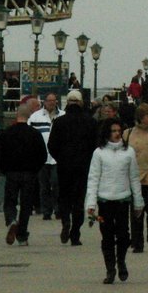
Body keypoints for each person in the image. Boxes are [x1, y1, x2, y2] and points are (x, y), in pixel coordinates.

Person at [86, 118, 145, 283]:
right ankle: (110, 268)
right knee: (107, 236)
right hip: (104, 201)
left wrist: (138, 202)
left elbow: (134, 178)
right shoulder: (98, 153)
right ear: (106, 133)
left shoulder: (129, 152)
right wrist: (90, 203)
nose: (117, 134)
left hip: (122, 200)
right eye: (113, 131)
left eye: (119, 131)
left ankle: (121, 262)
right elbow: (93, 178)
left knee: (123, 235)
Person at [47, 89, 97, 246]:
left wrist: (60, 159)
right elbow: (95, 146)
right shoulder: (90, 122)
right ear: (81, 103)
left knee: (65, 197)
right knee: (79, 199)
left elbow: (52, 145)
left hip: (64, 166)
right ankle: (75, 233)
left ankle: (65, 222)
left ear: (67, 103)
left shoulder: (59, 122)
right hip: (83, 166)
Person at [0, 102, 47, 246]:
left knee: (10, 201)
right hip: (29, 173)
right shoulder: (35, 134)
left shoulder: (6, 133)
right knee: (26, 205)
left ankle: (11, 219)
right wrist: (35, 169)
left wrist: (4, 170)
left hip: (12, 173)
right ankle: (22, 235)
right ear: (29, 116)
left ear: (16, 114)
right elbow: (42, 155)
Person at [124, 103, 148, 252]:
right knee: (136, 210)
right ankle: (137, 241)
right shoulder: (128, 134)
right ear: (140, 118)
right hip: (135, 176)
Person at [29, 91, 64, 221]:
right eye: (49, 101)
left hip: (57, 158)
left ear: (56, 102)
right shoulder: (35, 117)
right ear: (44, 102)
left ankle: (58, 209)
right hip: (42, 157)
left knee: (56, 184)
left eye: (53, 100)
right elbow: (30, 136)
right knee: (43, 186)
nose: (51, 103)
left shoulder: (62, 116)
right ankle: (46, 211)